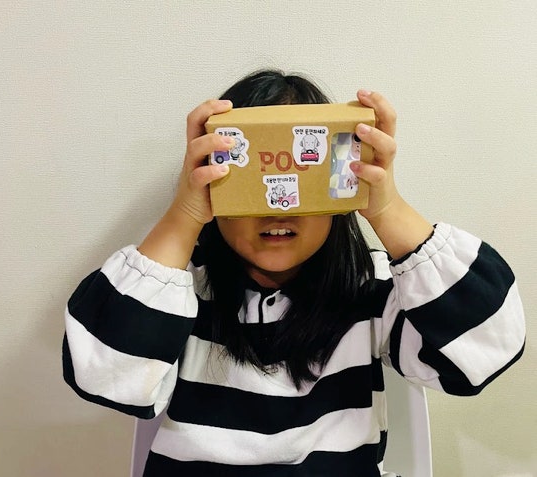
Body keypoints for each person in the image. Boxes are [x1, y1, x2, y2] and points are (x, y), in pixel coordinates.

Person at [63, 70, 525, 477]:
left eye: (305, 174)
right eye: (253, 175)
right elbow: (107, 375)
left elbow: (482, 350)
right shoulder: (178, 292)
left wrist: (387, 209)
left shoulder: (371, 286)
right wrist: (185, 213)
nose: (277, 203)